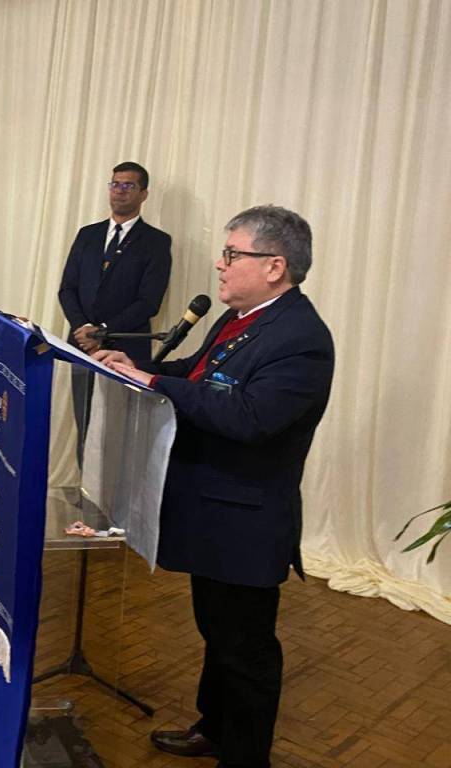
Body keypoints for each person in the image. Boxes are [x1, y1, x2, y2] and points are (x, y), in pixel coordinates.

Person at [93, 205, 335, 768]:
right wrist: (137, 367)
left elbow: (251, 417)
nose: (220, 264)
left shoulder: (301, 338)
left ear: (274, 266)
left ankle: (245, 756)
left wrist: (154, 382)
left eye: (232, 254)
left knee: (246, 648)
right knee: (217, 631)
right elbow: (198, 374)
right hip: (212, 508)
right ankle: (216, 728)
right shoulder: (239, 318)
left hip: (246, 520)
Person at [58, 162, 172, 459]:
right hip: (82, 347)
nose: (119, 191)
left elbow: (149, 302)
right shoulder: (87, 235)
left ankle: (116, 491)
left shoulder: (157, 242)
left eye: (128, 185)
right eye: (115, 184)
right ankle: (86, 487)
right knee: (86, 423)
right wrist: (83, 328)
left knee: (120, 429)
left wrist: (103, 332)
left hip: (126, 348)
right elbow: (67, 289)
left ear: (144, 194)